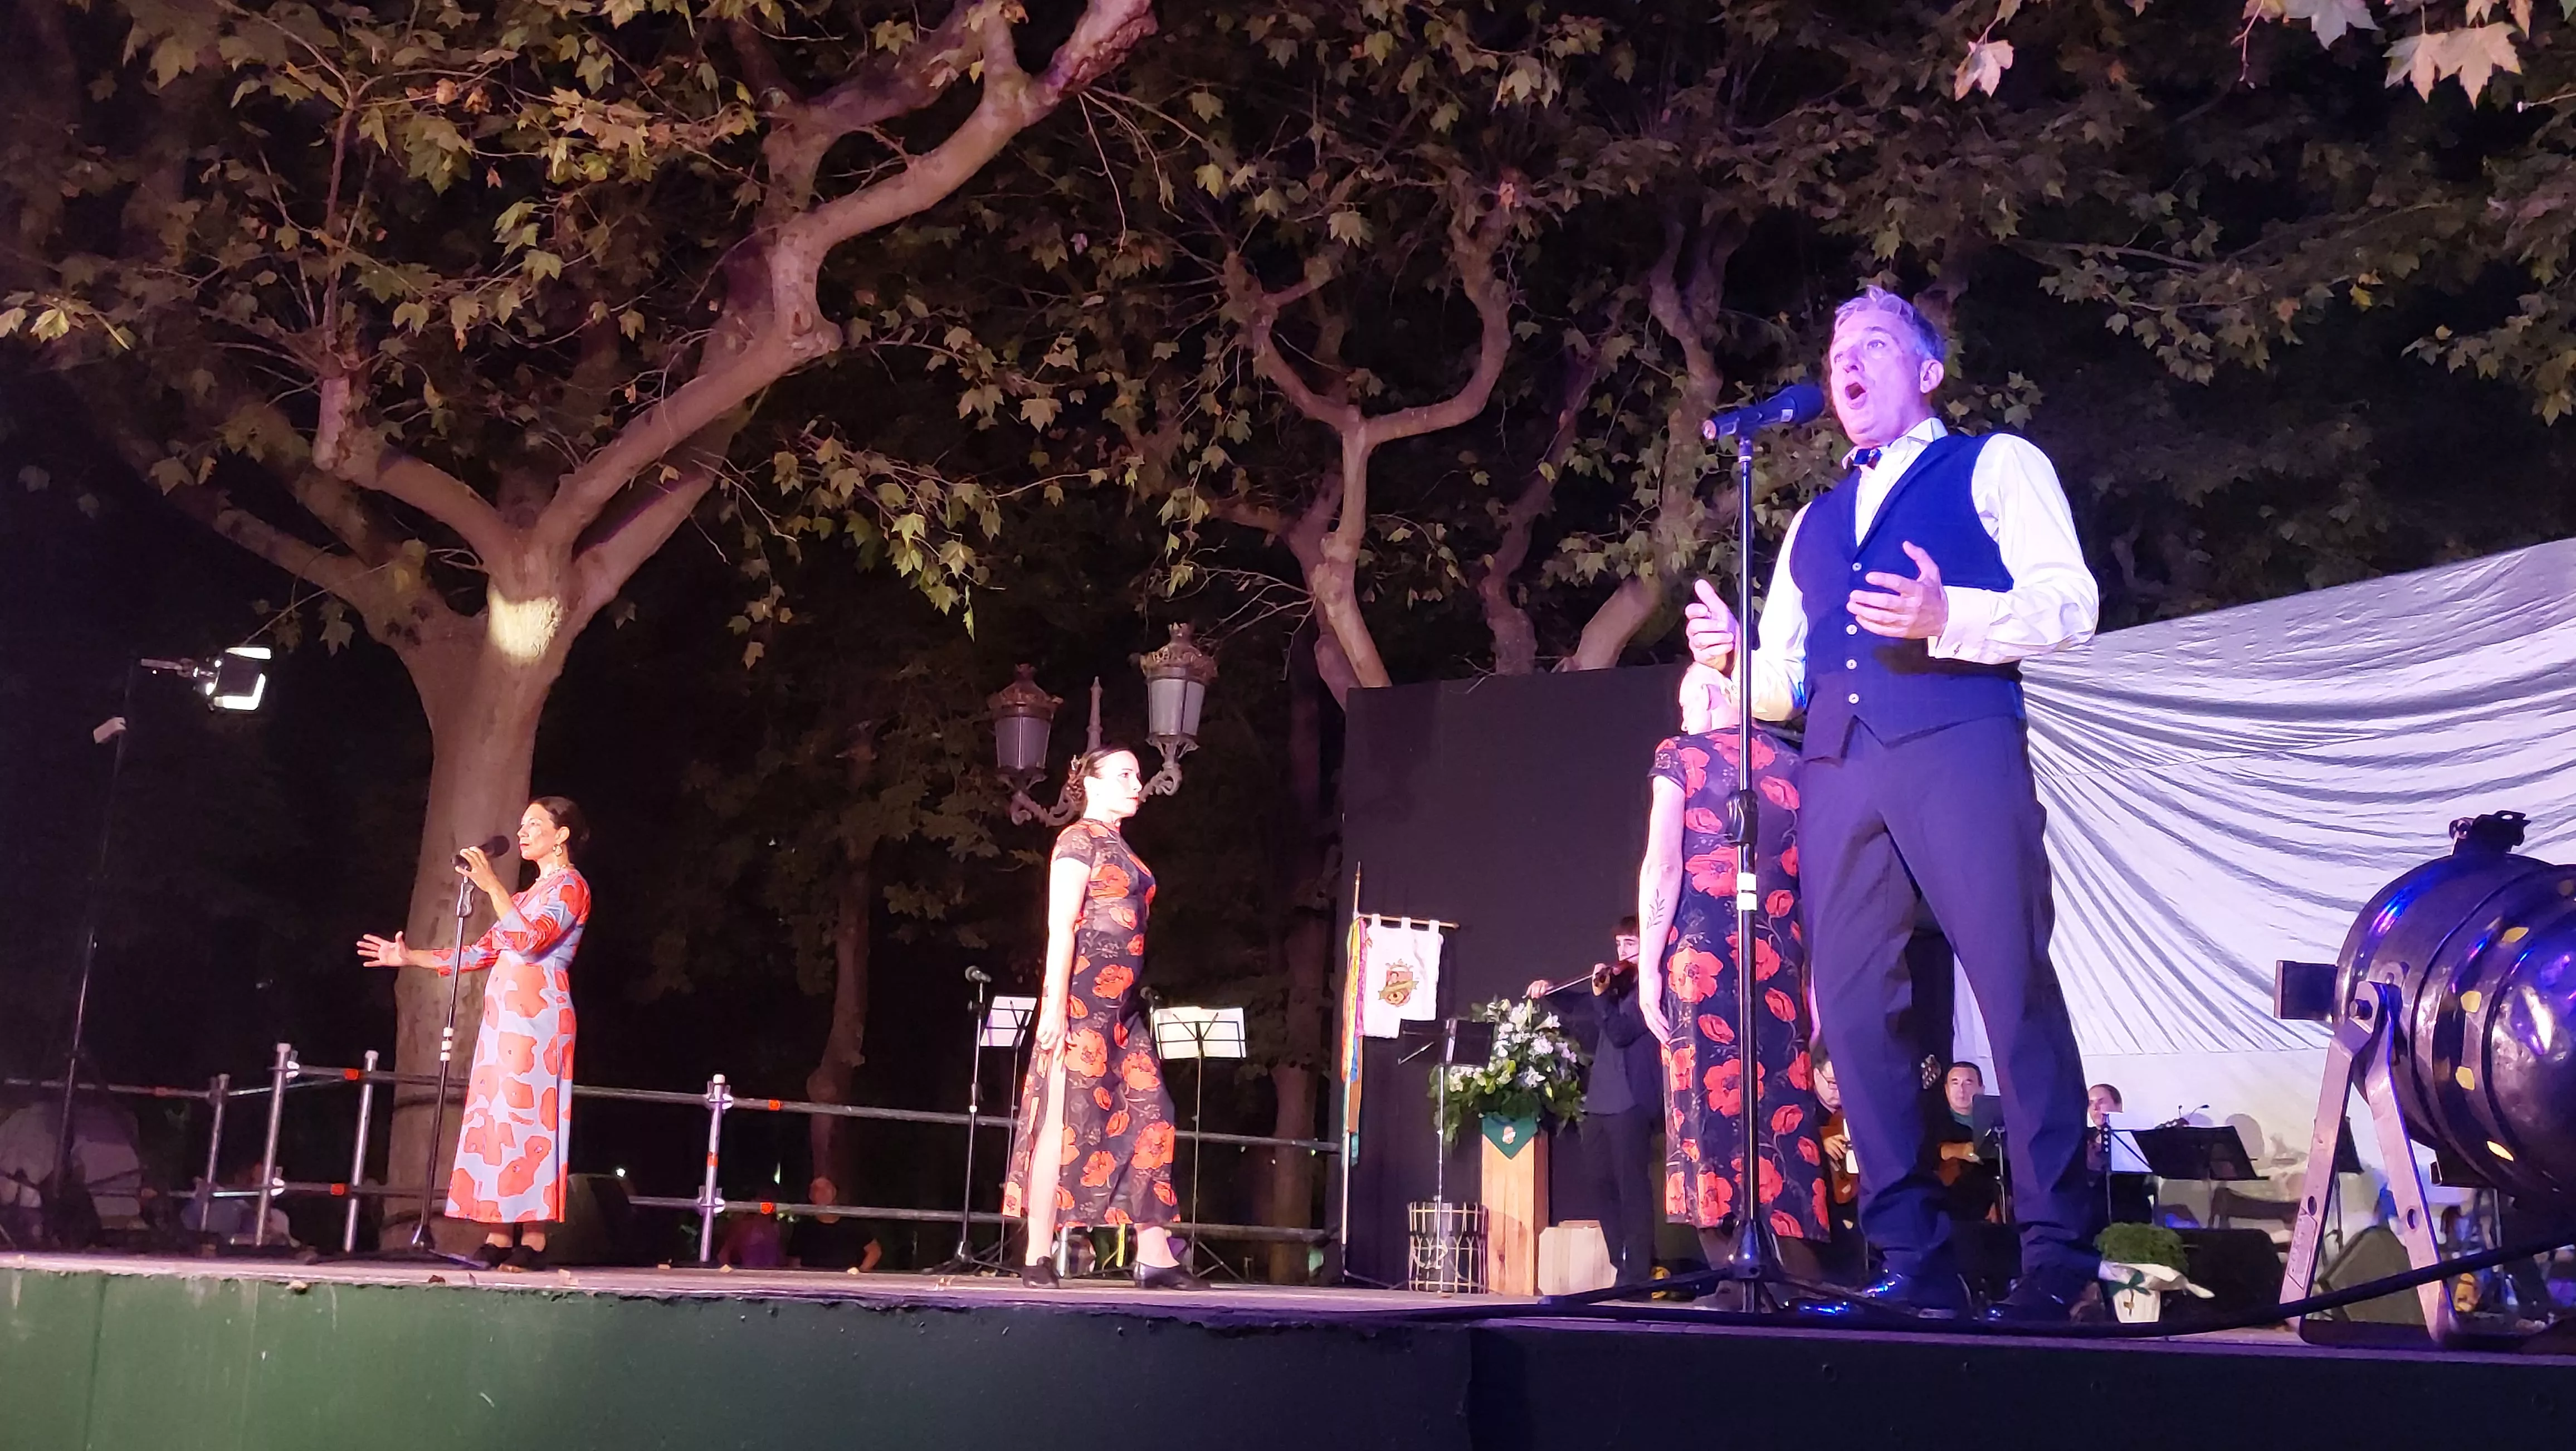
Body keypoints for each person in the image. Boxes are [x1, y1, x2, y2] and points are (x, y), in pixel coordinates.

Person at [1685, 285, 2102, 1323]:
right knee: (1860, 1015)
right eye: (1836, 352)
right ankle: (1911, 1252)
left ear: (1925, 371)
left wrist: (1945, 611)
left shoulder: (1992, 463)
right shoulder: (1810, 525)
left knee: (2010, 988)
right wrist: (1734, 661)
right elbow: (1784, 681)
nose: (1847, 362)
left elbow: (2071, 603)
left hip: (1958, 745)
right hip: (1836, 768)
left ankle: (2057, 1253)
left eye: (1873, 344)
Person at [1637, 664, 1829, 1286]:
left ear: (1711, 695)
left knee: (1704, 1106)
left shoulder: (1680, 755)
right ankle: (1798, 1276)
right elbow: (1818, 884)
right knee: (1782, 1106)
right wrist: (1817, 983)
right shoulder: (1796, 765)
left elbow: (1664, 863)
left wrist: (1646, 964)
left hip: (1703, 955)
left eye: (1686, 704)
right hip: (1781, 955)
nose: (1683, 718)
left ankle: (1730, 1273)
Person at [1000, 747, 1202, 1290]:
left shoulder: (1121, 846)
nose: (1137, 784)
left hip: (1123, 1010)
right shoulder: (1076, 841)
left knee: (1153, 1112)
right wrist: (1052, 1007)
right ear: (1089, 784)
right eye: (1124, 775)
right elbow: (1061, 926)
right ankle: (1038, 1253)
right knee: (1062, 1119)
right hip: (1082, 1003)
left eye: (1137, 775)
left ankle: (1154, 1254)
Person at [359, 797, 590, 1270]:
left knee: (530, 1124)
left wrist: (491, 885)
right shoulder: (525, 895)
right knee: (498, 1124)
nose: (523, 833)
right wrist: (410, 959)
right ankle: (499, 1232)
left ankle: (535, 1238)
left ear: (562, 835)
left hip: (538, 1020)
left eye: (534, 825)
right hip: (502, 1020)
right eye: (521, 824)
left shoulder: (571, 887)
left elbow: (529, 941)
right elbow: (481, 952)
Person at [1525, 917, 1660, 1282]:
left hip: (1632, 1101)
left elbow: (1620, 1032)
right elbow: (1582, 1006)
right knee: (1600, 1183)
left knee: (1631, 1187)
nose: (1623, 953)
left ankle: (1638, 1273)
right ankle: (1622, 1263)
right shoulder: (1614, 988)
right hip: (1599, 1101)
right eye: (1619, 945)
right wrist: (1550, 991)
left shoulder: (1650, 989)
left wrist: (1603, 998)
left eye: (1630, 944)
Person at [1813, 1053, 1864, 1282]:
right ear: (1815, 1075)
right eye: (1832, 1083)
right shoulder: (1804, 1112)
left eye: (1843, 1083)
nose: (1837, 1090)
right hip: (1819, 1205)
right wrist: (1820, 1143)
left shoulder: (1858, 1112)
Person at [1936, 1061, 2001, 1224]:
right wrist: (1960, 1150)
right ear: (1946, 1089)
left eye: (1969, 1082)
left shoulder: (1998, 1123)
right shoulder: (1932, 1123)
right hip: (1951, 1212)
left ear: (1981, 1089)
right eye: (1955, 1083)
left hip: (1997, 1209)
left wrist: (2002, 1202)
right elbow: (1931, 1153)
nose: (1962, 1090)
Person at [788, 1176, 884, 1273]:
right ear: (811, 1196)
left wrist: (860, 1272)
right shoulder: (804, 1227)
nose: (823, 1193)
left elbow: (875, 1251)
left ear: (835, 1192)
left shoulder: (852, 1222)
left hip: (848, 1282)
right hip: (814, 1282)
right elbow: (795, 1262)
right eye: (817, 1190)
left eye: (827, 1188)